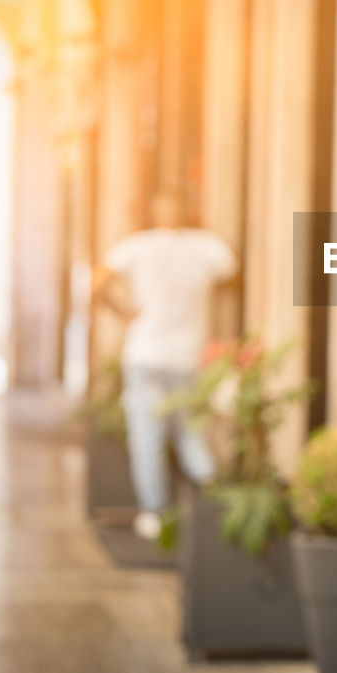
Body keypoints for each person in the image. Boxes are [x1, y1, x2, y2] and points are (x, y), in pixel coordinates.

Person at [94, 192, 236, 540]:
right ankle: (211, 506)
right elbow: (232, 273)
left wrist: (123, 311)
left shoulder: (137, 247)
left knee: (147, 436)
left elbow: (97, 282)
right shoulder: (207, 248)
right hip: (187, 356)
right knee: (191, 434)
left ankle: (155, 514)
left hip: (145, 354)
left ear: (156, 213)